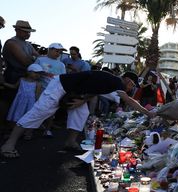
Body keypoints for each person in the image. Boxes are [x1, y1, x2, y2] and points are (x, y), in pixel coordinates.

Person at [1, 71, 155, 158]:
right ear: (127, 80)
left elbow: (93, 90)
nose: (130, 88)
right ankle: (9, 145)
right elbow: (129, 101)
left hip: (73, 91)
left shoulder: (110, 81)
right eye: (132, 85)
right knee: (39, 112)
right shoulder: (116, 82)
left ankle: (70, 141)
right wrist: (148, 113)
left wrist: (81, 101)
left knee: (82, 113)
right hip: (61, 86)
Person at [1, 20, 39, 131]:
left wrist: (34, 59)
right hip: (13, 74)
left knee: (19, 102)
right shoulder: (11, 43)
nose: (28, 34)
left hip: (24, 74)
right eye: (25, 31)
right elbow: (26, 61)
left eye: (29, 32)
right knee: (8, 100)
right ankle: (4, 125)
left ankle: (14, 126)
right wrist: (34, 59)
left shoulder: (27, 44)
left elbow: (36, 58)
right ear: (17, 30)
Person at [5, 64, 45, 140]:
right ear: (29, 72)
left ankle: (28, 133)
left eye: (39, 73)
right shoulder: (21, 80)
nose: (38, 75)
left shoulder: (38, 84)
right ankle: (15, 132)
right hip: (19, 103)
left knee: (29, 118)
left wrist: (39, 106)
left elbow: (37, 96)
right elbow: (14, 86)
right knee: (16, 116)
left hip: (30, 104)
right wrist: (4, 83)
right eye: (36, 72)